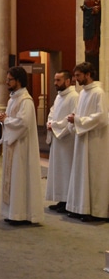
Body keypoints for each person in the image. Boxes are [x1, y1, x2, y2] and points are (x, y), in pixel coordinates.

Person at [0, 66, 43, 225]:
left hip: (22, 147)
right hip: (13, 144)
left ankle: (21, 214)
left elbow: (23, 123)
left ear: (19, 81)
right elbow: (11, 119)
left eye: (9, 79)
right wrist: (6, 119)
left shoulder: (26, 101)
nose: (6, 82)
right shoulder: (13, 99)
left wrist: (6, 120)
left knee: (20, 177)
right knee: (14, 178)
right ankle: (12, 213)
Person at [66, 62, 109, 222]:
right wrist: (73, 119)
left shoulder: (98, 92)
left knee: (93, 175)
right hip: (83, 138)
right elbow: (79, 112)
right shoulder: (83, 93)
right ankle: (80, 207)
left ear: (88, 74)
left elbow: (102, 117)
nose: (76, 79)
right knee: (81, 173)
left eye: (78, 75)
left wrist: (78, 120)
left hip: (95, 141)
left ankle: (96, 212)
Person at [45, 70, 78, 213]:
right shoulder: (59, 97)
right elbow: (52, 112)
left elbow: (72, 117)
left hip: (67, 139)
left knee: (67, 169)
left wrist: (55, 126)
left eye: (58, 80)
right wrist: (49, 123)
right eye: (55, 79)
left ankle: (68, 201)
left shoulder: (74, 97)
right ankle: (61, 199)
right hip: (57, 139)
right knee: (58, 170)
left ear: (68, 81)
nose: (55, 83)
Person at [81, 0, 101, 65]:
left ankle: (93, 50)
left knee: (94, 39)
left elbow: (97, 9)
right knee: (88, 40)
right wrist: (85, 9)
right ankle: (88, 50)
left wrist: (92, 9)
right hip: (87, 23)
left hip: (94, 23)